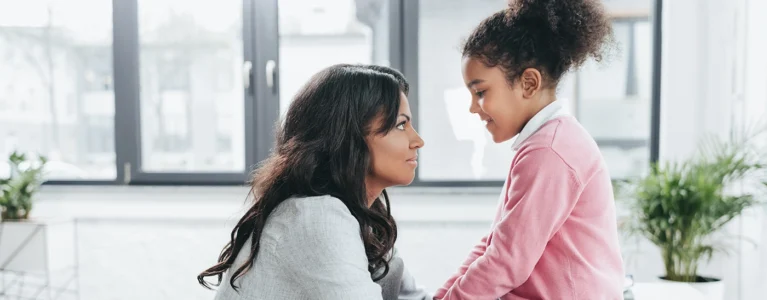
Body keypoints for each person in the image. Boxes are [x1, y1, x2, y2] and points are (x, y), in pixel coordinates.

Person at [434, 0, 624, 299]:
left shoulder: (550, 150)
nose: (473, 108)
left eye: (480, 92)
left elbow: (506, 261)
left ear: (528, 83)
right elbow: (495, 244)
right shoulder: (544, 142)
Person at [197, 64, 429, 300]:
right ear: (349, 135)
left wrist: (470, 270)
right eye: (401, 125)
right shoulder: (317, 218)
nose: (418, 140)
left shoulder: (363, 217)